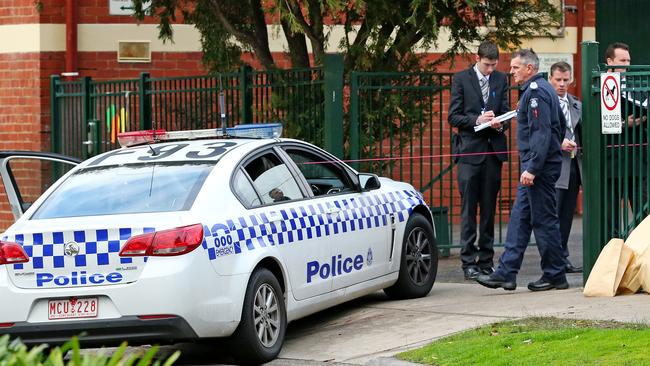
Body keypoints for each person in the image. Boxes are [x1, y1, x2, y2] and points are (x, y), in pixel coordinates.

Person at [477, 49, 568, 292]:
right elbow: (558, 128)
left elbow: (543, 133)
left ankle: (555, 275)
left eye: (516, 67)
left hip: (537, 170)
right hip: (535, 167)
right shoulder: (535, 91)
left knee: (544, 221)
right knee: (519, 219)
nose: (511, 71)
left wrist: (534, 168)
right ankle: (506, 273)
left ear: (529, 69)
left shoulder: (537, 92)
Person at [448, 40, 510, 280]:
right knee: (468, 210)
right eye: (487, 65)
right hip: (469, 153)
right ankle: (468, 262)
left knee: (489, 210)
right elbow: (453, 116)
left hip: (492, 152)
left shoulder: (500, 79)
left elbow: (505, 111)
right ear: (477, 59)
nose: (491, 70)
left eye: (494, 65)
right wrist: (478, 120)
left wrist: (499, 123)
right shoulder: (461, 79)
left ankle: (486, 260)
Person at [604, 42, 648, 239]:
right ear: (609, 62)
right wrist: (623, 124)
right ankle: (610, 261)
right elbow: (596, 124)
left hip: (638, 163)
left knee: (643, 217)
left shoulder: (639, 84)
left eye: (628, 60)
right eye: (622, 61)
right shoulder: (602, 84)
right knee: (610, 221)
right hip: (611, 163)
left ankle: (642, 262)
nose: (627, 65)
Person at [549, 61, 583, 274]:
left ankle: (563, 257)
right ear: (550, 80)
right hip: (555, 166)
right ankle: (554, 260)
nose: (562, 84)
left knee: (567, 215)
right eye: (558, 80)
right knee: (554, 213)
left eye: (565, 80)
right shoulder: (546, 102)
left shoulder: (577, 103)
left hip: (574, 165)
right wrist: (558, 143)